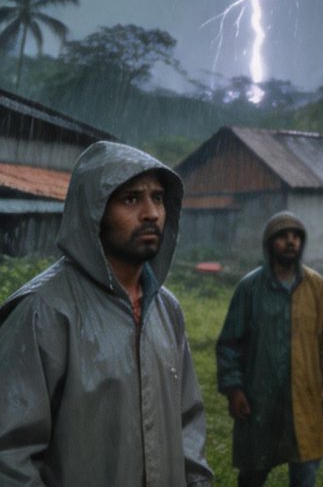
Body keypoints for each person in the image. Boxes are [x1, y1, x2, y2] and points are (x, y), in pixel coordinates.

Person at [0, 139, 213, 486]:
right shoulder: (44, 311)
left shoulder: (166, 309)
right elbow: (10, 456)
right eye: (131, 199)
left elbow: (188, 422)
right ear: (94, 212)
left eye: (158, 198)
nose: (152, 213)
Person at [217, 212, 323, 487]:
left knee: (305, 472)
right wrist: (234, 389)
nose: (291, 242)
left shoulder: (315, 286)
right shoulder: (250, 288)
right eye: (284, 237)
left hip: (304, 396)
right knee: (253, 472)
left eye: (296, 236)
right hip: (260, 398)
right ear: (269, 243)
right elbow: (229, 344)